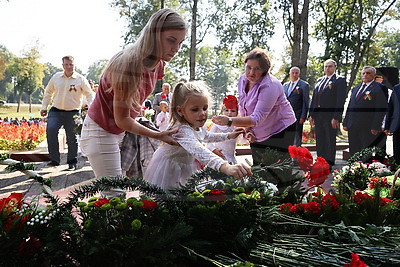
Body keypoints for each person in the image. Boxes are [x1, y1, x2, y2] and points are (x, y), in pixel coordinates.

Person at [80, 9, 187, 195]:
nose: (176, 48)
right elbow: (122, 119)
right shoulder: (128, 64)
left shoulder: (158, 64)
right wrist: (158, 135)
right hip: (100, 131)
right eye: (171, 40)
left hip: (119, 132)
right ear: (154, 34)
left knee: (119, 194)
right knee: (114, 194)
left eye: (180, 42)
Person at [144, 81, 252, 190]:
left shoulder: (195, 123)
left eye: (204, 108)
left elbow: (206, 136)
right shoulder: (181, 129)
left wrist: (228, 136)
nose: (202, 113)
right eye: (195, 109)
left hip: (186, 165)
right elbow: (198, 149)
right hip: (170, 169)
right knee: (168, 197)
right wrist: (225, 167)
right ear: (180, 110)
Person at [212, 47, 296, 165]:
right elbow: (244, 107)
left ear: (264, 70)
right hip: (259, 127)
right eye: (249, 67)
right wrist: (248, 130)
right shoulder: (242, 80)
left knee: (276, 169)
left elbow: (257, 118)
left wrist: (229, 121)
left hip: (280, 129)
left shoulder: (269, 85)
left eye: (257, 69)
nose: (251, 72)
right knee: (258, 167)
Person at [40, 55, 94, 170]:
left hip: (73, 112)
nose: (69, 67)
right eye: (66, 65)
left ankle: (72, 162)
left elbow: (89, 94)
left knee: (72, 137)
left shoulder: (80, 79)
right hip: (56, 110)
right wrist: (44, 107)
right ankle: (54, 160)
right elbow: (48, 92)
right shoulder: (56, 77)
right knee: (51, 130)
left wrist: (91, 108)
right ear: (62, 65)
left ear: (74, 65)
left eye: (71, 64)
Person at [308, 59, 347, 167]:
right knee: (320, 138)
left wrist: (336, 117)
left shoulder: (339, 80)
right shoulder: (320, 80)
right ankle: (320, 160)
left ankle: (329, 162)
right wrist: (311, 115)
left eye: (330, 66)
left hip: (330, 116)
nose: (327, 68)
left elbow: (340, 100)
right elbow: (314, 98)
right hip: (318, 115)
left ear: (335, 67)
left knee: (329, 139)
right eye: (325, 66)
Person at [343, 66, 388, 158]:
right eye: (363, 73)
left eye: (368, 73)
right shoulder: (356, 88)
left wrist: (375, 126)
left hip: (367, 126)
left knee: (366, 152)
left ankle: (365, 170)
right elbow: (350, 106)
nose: (365, 75)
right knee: (354, 151)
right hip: (353, 125)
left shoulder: (380, 88)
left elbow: (381, 108)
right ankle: (354, 169)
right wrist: (346, 122)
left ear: (374, 75)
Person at [206, 95, 240, 164]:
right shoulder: (217, 126)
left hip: (231, 157)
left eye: (233, 111)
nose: (229, 113)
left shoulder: (236, 126)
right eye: (226, 110)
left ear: (237, 113)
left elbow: (242, 140)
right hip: (220, 156)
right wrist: (214, 150)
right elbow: (208, 141)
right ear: (222, 112)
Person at [283, 66, 310, 147]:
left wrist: (303, 116)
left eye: (296, 73)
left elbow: (305, 102)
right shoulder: (285, 85)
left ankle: (295, 157)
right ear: (289, 74)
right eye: (293, 73)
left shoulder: (304, 85)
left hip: (297, 115)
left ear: (299, 74)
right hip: (286, 116)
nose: (294, 74)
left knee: (296, 136)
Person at [385, 83, 400, 164]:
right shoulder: (397, 88)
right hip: (398, 126)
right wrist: (387, 126)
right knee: (398, 154)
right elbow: (391, 107)